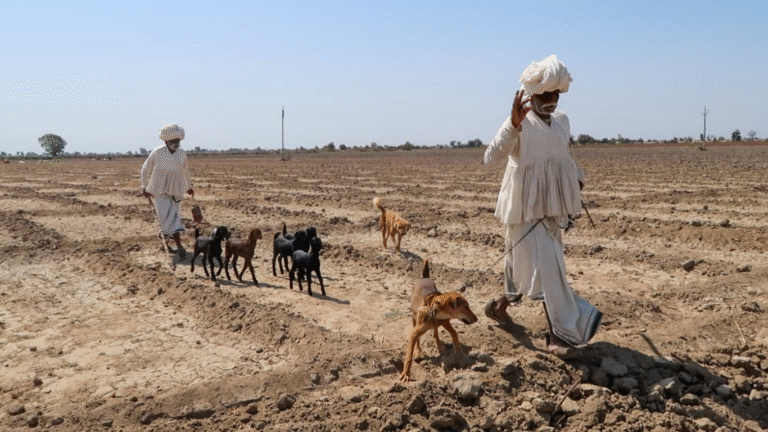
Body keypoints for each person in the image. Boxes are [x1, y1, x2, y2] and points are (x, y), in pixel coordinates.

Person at [482, 55, 602, 354]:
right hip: (524, 209)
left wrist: (576, 180)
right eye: (545, 94)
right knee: (549, 267)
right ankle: (559, 335)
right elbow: (491, 159)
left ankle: (499, 306)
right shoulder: (519, 123)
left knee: (523, 265)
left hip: (553, 207)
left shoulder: (562, 122)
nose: (551, 100)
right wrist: (512, 124)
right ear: (531, 94)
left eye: (555, 94)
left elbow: (564, 157)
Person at [141, 123, 194, 257]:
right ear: (166, 141)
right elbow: (145, 168)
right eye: (173, 140)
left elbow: (185, 170)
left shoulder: (182, 153)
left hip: (176, 188)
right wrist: (145, 186)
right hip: (159, 188)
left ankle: (166, 243)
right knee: (168, 216)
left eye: (178, 140)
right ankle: (179, 245)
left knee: (173, 214)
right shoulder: (158, 151)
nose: (176, 143)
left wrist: (189, 186)